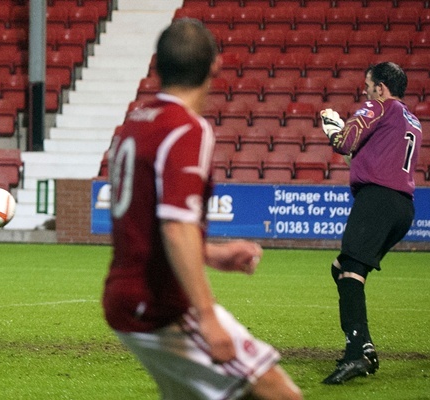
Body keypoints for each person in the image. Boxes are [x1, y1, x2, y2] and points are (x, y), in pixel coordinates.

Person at [101, 20, 302, 400]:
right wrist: (208, 316)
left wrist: (212, 253)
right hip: (161, 304)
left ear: (157, 64)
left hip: (123, 295)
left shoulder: (134, 122)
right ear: (215, 66)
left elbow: (145, 225)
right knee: (278, 393)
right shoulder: (187, 129)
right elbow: (176, 227)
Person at [318, 62, 421, 384]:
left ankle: (358, 353)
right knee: (343, 268)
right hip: (402, 206)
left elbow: (345, 143)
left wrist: (334, 128)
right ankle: (360, 346)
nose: (365, 90)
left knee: (350, 272)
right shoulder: (411, 119)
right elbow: (365, 157)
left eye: (367, 85)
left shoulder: (379, 106)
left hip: (377, 200)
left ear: (380, 87)